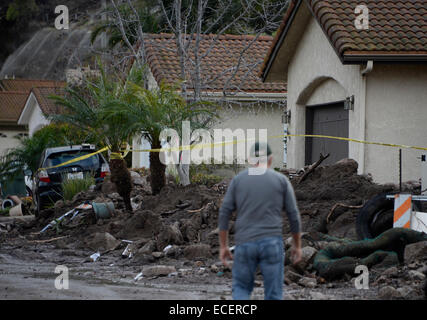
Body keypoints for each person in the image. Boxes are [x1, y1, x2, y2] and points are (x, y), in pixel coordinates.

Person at [218, 141, 302, 300]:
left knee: (241, 288)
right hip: (272, 243)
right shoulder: (281, 180)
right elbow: (293, 215)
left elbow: (224, 212)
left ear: (250, 160)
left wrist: (223, 246)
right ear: (270, 160)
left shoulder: (238, 181)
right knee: (274, 293)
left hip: (244, 243)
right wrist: (297, 246)